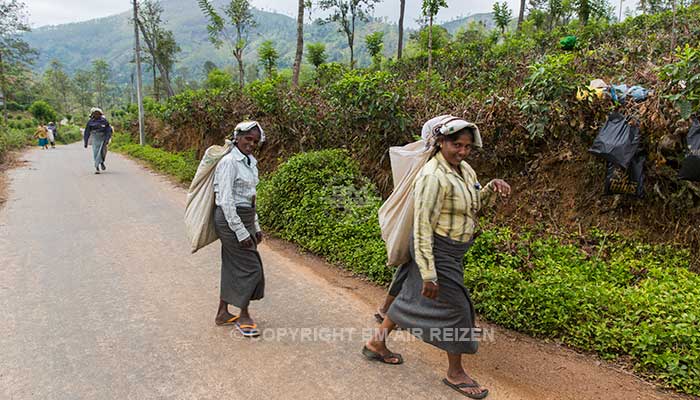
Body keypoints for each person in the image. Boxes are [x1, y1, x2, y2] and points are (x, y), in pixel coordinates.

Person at [363, 117, 511, 400]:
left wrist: (493, 186)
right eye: (457, 144)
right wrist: (429, 273)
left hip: (451, 252)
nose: (463, 152)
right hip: (434, 251)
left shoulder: (465, 170)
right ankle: (455, 373)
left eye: (467, 146)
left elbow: (475, 204)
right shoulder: (433, 176)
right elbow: (421, 227)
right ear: (441, 142)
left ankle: (375, 344)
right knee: (458, 310)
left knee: (407, 297)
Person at [212, 121, 266, 337]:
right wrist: (242, 231)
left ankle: (222, 312)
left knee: (232, 265)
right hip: (229, 220)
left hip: (245, 217)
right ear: (237, 137)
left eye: (255, 141)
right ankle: (243, 314)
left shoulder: (250, 162)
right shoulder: (229, 162)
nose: (251, 144)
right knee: (251, 269)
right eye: (247, 139)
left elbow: (250, 197)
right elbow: (226, 201)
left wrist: (256, 226)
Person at [83, 108, 113, 174]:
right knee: (96, 153)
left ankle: (102, 162)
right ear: (93, 114)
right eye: (95, 113)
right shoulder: (90, 122)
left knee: (103, 152)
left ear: (100, 114)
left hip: (103, 138)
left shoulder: (104, 121)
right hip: (95, 138)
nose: (96, 115)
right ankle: (97, 168)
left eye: (98, 113)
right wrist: (86, 142)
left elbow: (108, 130)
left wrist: (107, 139)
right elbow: (87, 132)